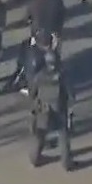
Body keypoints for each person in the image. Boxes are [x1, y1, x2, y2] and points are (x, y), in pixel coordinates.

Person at [26, 34, 75, 170]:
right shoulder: (62, 74)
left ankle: (35, 158)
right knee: (63, 133)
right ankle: (66, 162)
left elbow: (32, 92)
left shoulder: (40, 75)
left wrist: (34, 105)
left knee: (40, 133)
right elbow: (70, 92)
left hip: (43, 107)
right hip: (59, 106)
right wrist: (71, 104)